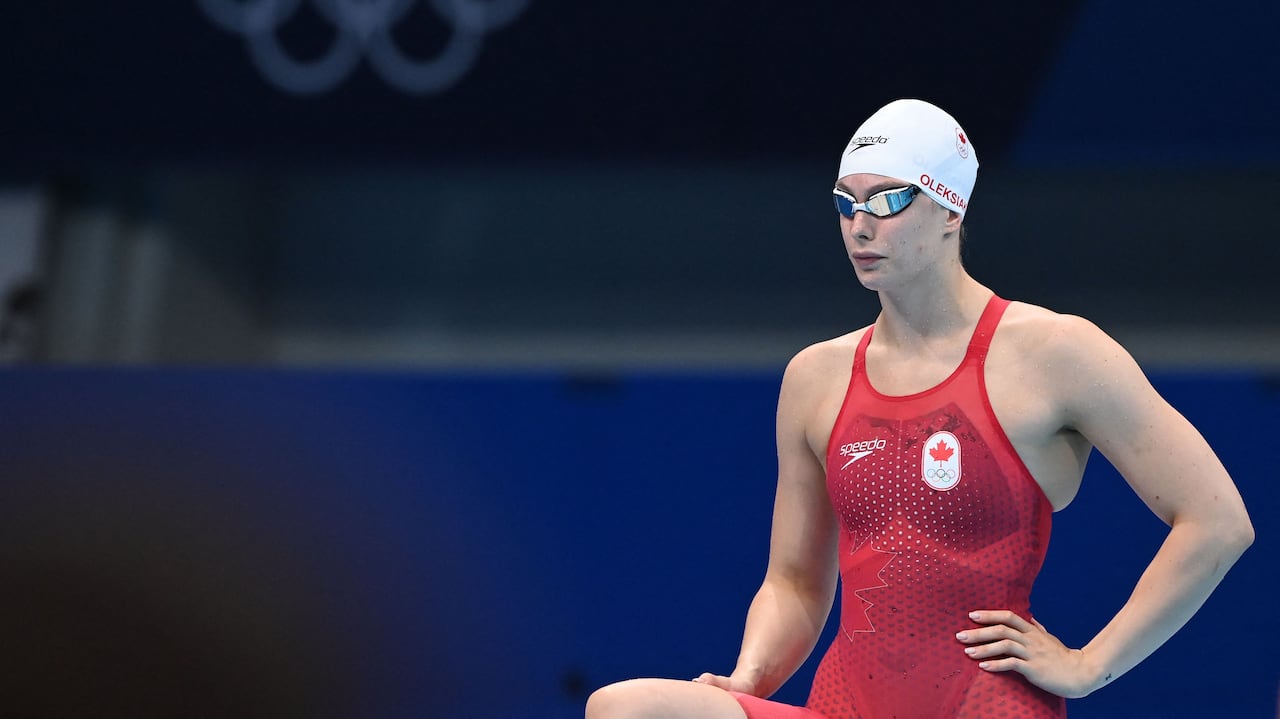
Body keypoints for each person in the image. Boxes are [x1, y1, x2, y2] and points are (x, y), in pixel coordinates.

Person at [584, 99, 1254, 719]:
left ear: (951, 210)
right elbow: (793, 581)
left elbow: (1217, 521)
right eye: (846, 202)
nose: (860, 225)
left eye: (888, 200)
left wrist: (1088, 666)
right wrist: (749, 678)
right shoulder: (816, 377)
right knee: (623, 709)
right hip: (844, 703)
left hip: (983, 706)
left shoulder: (1055, 352)